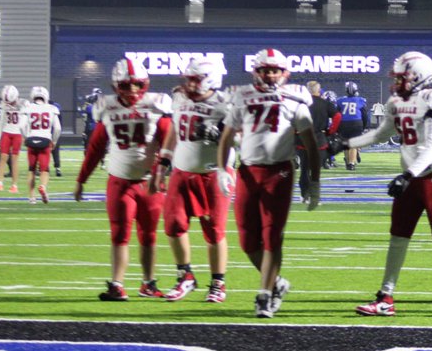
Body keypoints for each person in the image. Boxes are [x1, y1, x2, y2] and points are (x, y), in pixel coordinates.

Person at [348, 52, 432, 318]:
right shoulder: (397, 101)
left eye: (404, 77)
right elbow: (380, 134)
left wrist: (408, 174)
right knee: (397, 238)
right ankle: (386, 297)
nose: (399, 82)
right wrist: (345, 144)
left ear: (420, 76)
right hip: (411, 178)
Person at [217, 49, 321, 319]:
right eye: (265, 70)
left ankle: (264, 295)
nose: (269, 75)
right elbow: (227, 136)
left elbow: (311, 145)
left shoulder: (295, 98)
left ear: (284, 73)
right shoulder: (242, 97)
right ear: (256, 72)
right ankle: (276, 283)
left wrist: (314, 181)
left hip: (279, 174)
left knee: (272, 236)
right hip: (248, 173)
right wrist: (222, 168)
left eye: (274, 70)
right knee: (247, 241)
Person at [75, 59, 173, 301]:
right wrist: (81, 180)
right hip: (120, 181)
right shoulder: (107, 108)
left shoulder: (156, 107)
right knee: (120, 234)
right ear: (115, 86)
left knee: (149, 235)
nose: (133, 91)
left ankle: (148, 283)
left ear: (146, 84)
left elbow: (170, 143)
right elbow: (96, 148)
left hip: (149, 181)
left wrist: (161, 173)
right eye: (126, 86)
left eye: (138, 85)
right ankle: (117, 284)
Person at [151, 57, 232, 303]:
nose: (190, 84)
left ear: (211, 80)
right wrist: (163, 163)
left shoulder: (225, 104)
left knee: (214, 230)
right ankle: (185, 275)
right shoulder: (179, 98)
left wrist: (217, 133)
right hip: (182, 171)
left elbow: (240, 138)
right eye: (189, 79)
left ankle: (218, 282)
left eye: (196, 79)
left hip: (214, 173)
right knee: (173, 225)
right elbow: (175, 130)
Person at [20, 86, 61, 203]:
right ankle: (43, 186)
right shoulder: (52, 108)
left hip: (32, 139)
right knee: (44, 170)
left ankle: (32, 197)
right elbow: (57, 128)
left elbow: (22, 126)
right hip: (45, 140)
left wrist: (24, 137)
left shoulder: (28, 107)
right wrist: (54, 141)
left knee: (31, 170)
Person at [298, 81, 337, 200]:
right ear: (319, 91)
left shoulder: (301, 104)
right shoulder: (325, 103)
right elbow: (338, 117)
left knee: (304, 169)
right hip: (319, 140)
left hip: (303, 139)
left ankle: (305, 194)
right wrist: (331, 131)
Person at [0, 85, 23, 193]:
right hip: (6, 132)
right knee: (3, 157)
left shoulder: (23, 104)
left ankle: (14, 185)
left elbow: (26, 122)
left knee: (14, 160)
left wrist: (25, 135)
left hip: (17, 134)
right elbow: (1, 120)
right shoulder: (5, 104)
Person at [335, 80, 369, 170]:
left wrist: (337, 127)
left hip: (344, 124)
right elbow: (365, 115)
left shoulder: (340, 101)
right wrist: (364, 126)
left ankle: (347, 161)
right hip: (356, 123)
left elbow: (337, 115)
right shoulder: (360, 100)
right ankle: (351, 163)